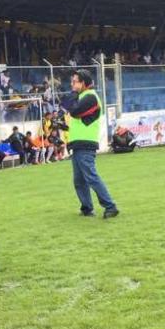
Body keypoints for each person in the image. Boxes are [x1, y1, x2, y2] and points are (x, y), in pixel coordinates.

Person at [67, 69, 119, 218]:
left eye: (75, 81)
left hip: (85, 144)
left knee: (91, 177)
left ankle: (110, 206)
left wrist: (73, 95)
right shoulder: (83, 96)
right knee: (79, 180)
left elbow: (73, 111)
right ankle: (87, 208)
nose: (72, 84)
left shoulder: (90, 96)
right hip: (78, 144)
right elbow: (72, 111)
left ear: (83, 83)